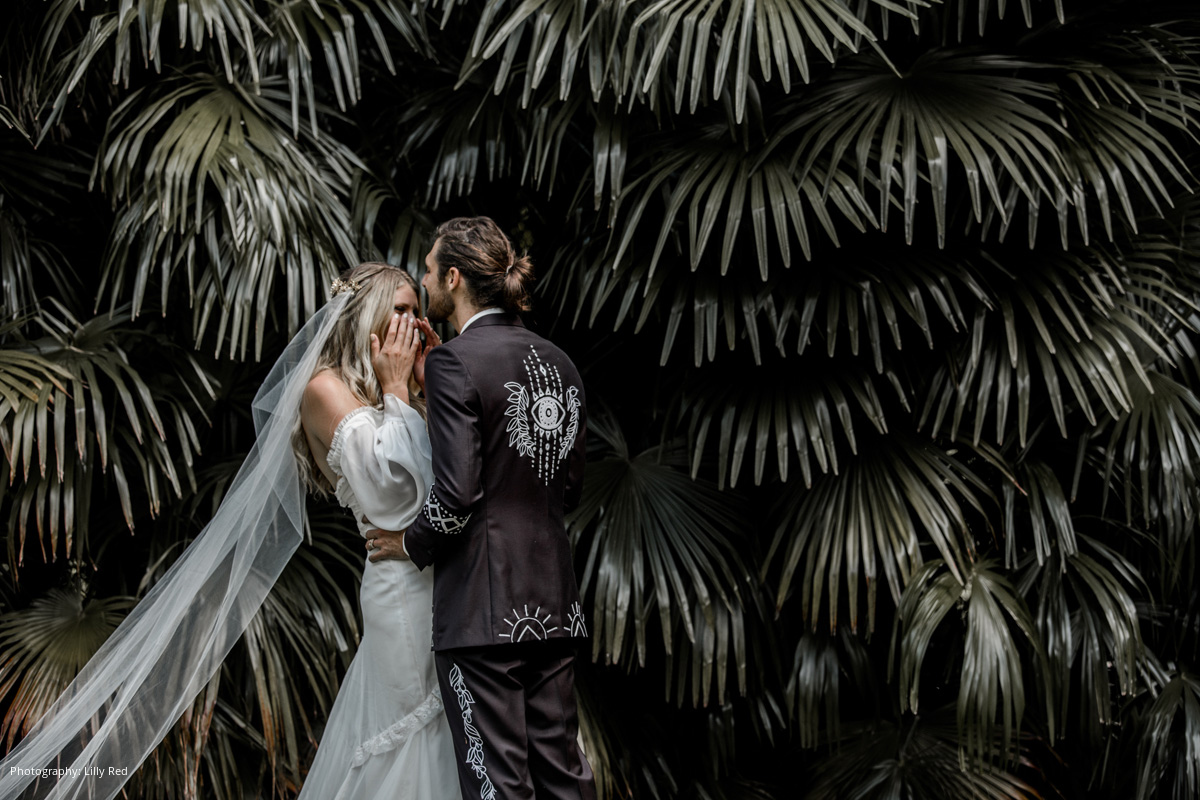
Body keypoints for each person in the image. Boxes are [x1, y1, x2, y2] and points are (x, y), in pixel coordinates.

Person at [0, 262, 458, 800]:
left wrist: (420, 389)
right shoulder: (325, 390)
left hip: (442, 587)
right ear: (367, 315)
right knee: (411, 737)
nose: (412, 323)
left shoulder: (392, 393)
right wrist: (399, 388)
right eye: (400, 310)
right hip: (400, 595)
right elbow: (391, 497)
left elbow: (445, 488)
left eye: (415, 312)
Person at [367, 217, 596, 800]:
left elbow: (457, 494)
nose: (422, 284)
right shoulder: (561, 363)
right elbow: (566, 488)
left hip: (481, 616)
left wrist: (406, 543)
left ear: (453, 277)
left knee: (496, 784)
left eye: (426, 271)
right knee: (563, 774)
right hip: (553, 604)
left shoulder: (452, 364)